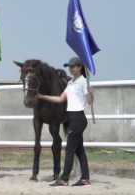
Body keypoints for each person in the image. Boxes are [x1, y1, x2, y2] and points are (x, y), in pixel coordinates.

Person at [37, 56, 94, 187]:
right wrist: (43, 96)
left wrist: (91, 93)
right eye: (69, 66)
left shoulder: (83, 82)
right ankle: (85, 178)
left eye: (73, 66)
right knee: (79, 150)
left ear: (80, 67)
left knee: (69, 150)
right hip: (71, 117)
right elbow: (60, 99)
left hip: (78, 118)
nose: (70, 68)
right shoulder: (71, 83)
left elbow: (90, 102)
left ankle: (64, 179)